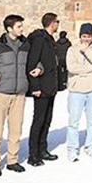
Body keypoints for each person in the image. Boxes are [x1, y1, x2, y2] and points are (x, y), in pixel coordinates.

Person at [0, 15, 30, 176]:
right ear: (9, 29)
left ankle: (12, 160)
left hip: (19, 93)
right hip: (1, 93)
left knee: (16, 129)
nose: (22, 29)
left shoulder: (26, 44)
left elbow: (33, 62)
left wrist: (39, 68)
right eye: (19, 26)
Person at [65, 23, 92, 161]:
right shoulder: (72, 49)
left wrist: (86, 52)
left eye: (89, 36)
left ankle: (90, 146)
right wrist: (90, 68)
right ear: (80, 36)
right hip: (76, 89)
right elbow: (71, 67)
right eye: (84, 36)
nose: (86, 39)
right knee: (73, 121)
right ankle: (72, 148)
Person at [27, 12, 62, 166]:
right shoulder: (40, 40)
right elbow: (32, 63)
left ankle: (43, 149)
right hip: (41, 87)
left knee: (47, 120)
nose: (58, 24)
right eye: (57, 22)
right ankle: (33, 154)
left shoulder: (50, 39)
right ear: (52, 23)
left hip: (50, 86)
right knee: (38, 121)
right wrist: (35, 87)